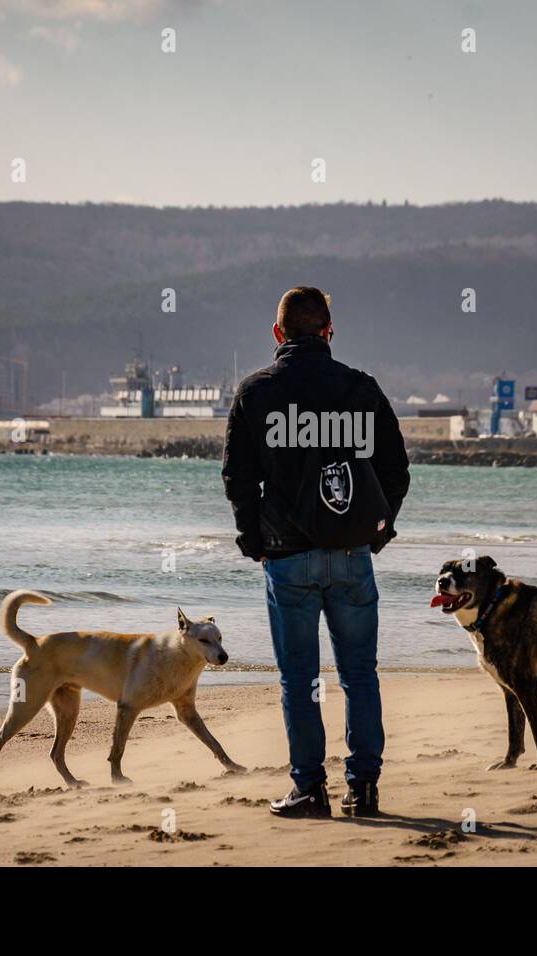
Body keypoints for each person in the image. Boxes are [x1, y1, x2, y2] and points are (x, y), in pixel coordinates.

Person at [222, 286, 410, 818]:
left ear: (278, 334)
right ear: (329, 331)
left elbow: (239, 479)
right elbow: (396, 472)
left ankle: (309, 789)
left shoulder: (256, 392)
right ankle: (365, 787)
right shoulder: (361, 389)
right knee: (360, 675)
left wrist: (254, 543)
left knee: (299, 681)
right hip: (353, 555)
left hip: (287, 558)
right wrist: (377, 529)